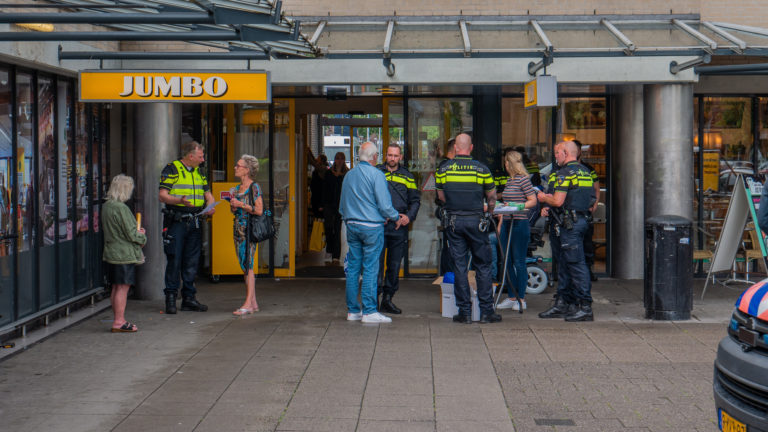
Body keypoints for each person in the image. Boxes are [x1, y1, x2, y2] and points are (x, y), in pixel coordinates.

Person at [436, 133, 501, 324]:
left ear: (456, 148)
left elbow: (441, 197)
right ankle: (486, 312)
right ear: (471, 148)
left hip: (454, 222)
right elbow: (492, 196)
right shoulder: (481, 169)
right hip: (476, 222)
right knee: (483, 265)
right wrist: (489, 211)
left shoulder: (444, 169)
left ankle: (464, 312)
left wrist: (454, 206)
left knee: (459, 266)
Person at [340, 142, 405, 324]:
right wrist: (395, 217)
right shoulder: (377, 175)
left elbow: (342, 205)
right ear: (374, 157)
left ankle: (353, 311)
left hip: (352, 225)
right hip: (371, 227)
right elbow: (385, 206)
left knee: (353, 268)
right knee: (370, 268)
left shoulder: (349, 175)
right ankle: (369, 310)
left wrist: (349, 219)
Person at [537, 141, 596, 322]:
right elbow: (591, 199)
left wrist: (543, 198)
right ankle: (564, 303)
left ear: (565, 153)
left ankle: (585, 306)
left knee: (576, 264)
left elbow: (558, 201)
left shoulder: (565, 173)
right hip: (578, 221)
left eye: (557, 153)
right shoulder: (585, 172)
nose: (555, 156)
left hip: (570, 223)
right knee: (565, 263)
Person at [158, 140, 216, 314]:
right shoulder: (172, 169)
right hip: (177, 221)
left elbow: (209, 196)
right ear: (191, 156)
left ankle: (189, 298)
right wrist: (179, 201)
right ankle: (170, 298)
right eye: (201, 156)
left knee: (192, 261)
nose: (203, 159)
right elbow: (162, 195)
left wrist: (210, 206)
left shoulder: (199, 172)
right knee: (174, 259)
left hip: (195, 221)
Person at [376, 144, 421, 314]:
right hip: (379, 225)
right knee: (376, 265)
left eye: (395, 156)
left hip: (399, 227)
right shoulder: (377, 172)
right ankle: (373, 301)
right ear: (385, 155)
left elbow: (415, 201)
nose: (392, 159)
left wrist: (408, 217)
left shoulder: (408, 176)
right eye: (390, 155)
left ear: (400, 157)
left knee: (394, 265)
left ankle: (387, 299)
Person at [102, 174, 146, 332]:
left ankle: (117, 319)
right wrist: (141, 235)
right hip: (123, 253)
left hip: (111, 251)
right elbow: (131, 233)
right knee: (122, 288)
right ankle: (119, 321)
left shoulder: (107, 206)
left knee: (116, 287)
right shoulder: (121, 208)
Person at [496, 151, 537, 311]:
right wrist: (501, 219)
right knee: (506, 261)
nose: (504, 165)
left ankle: (521, 298)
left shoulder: (523, 180)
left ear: (509, 163)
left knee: (519, 262)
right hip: (507, 222)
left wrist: (519, 206)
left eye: (506, 162)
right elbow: (508, 202)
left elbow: (532, 201)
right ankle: (512, 296)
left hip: (519, 223)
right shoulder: (510, 180)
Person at [229, 155, 264, 316]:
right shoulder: (237, 188)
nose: (235, 168)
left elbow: (259, 210)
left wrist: (241, 204)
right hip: (238, 229)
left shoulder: (254, 187)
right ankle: (253, 303)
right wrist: (233, 206)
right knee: (244, 265)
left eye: (239, 165)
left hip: (249, 230)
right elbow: (235, 210)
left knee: (248, 265)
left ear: (247, 170)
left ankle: (248, 303)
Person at [573, 140, 601, 281]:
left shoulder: (588, 169)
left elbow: (596, 189)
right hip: (570, 213)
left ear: (579, 152)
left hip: (585, 213)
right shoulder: (563, 169)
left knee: (587, 243)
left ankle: (588, 271)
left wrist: (594, 205)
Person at [323, 151, 348, 264]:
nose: (339, 160)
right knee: (328, 228)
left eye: (341, 158)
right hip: (328, 204)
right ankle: (329, 249)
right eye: (337, 158)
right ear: (334, 160)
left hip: (340, 205)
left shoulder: (347, 174)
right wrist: (321, 204)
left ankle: (336, 256)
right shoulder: (328, 173)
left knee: (337, 229)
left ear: (344, 160)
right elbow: (324, 189)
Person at [310, 153, 328, 220]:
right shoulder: (319, 168)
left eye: (318, 158)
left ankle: (319, 226)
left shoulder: (322, 168)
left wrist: (308, 154)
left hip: (319, 196)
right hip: (315, 195)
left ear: (321, 161)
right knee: (316, 213)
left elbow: (313, 162)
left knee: (319, 215)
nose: (316, 159)